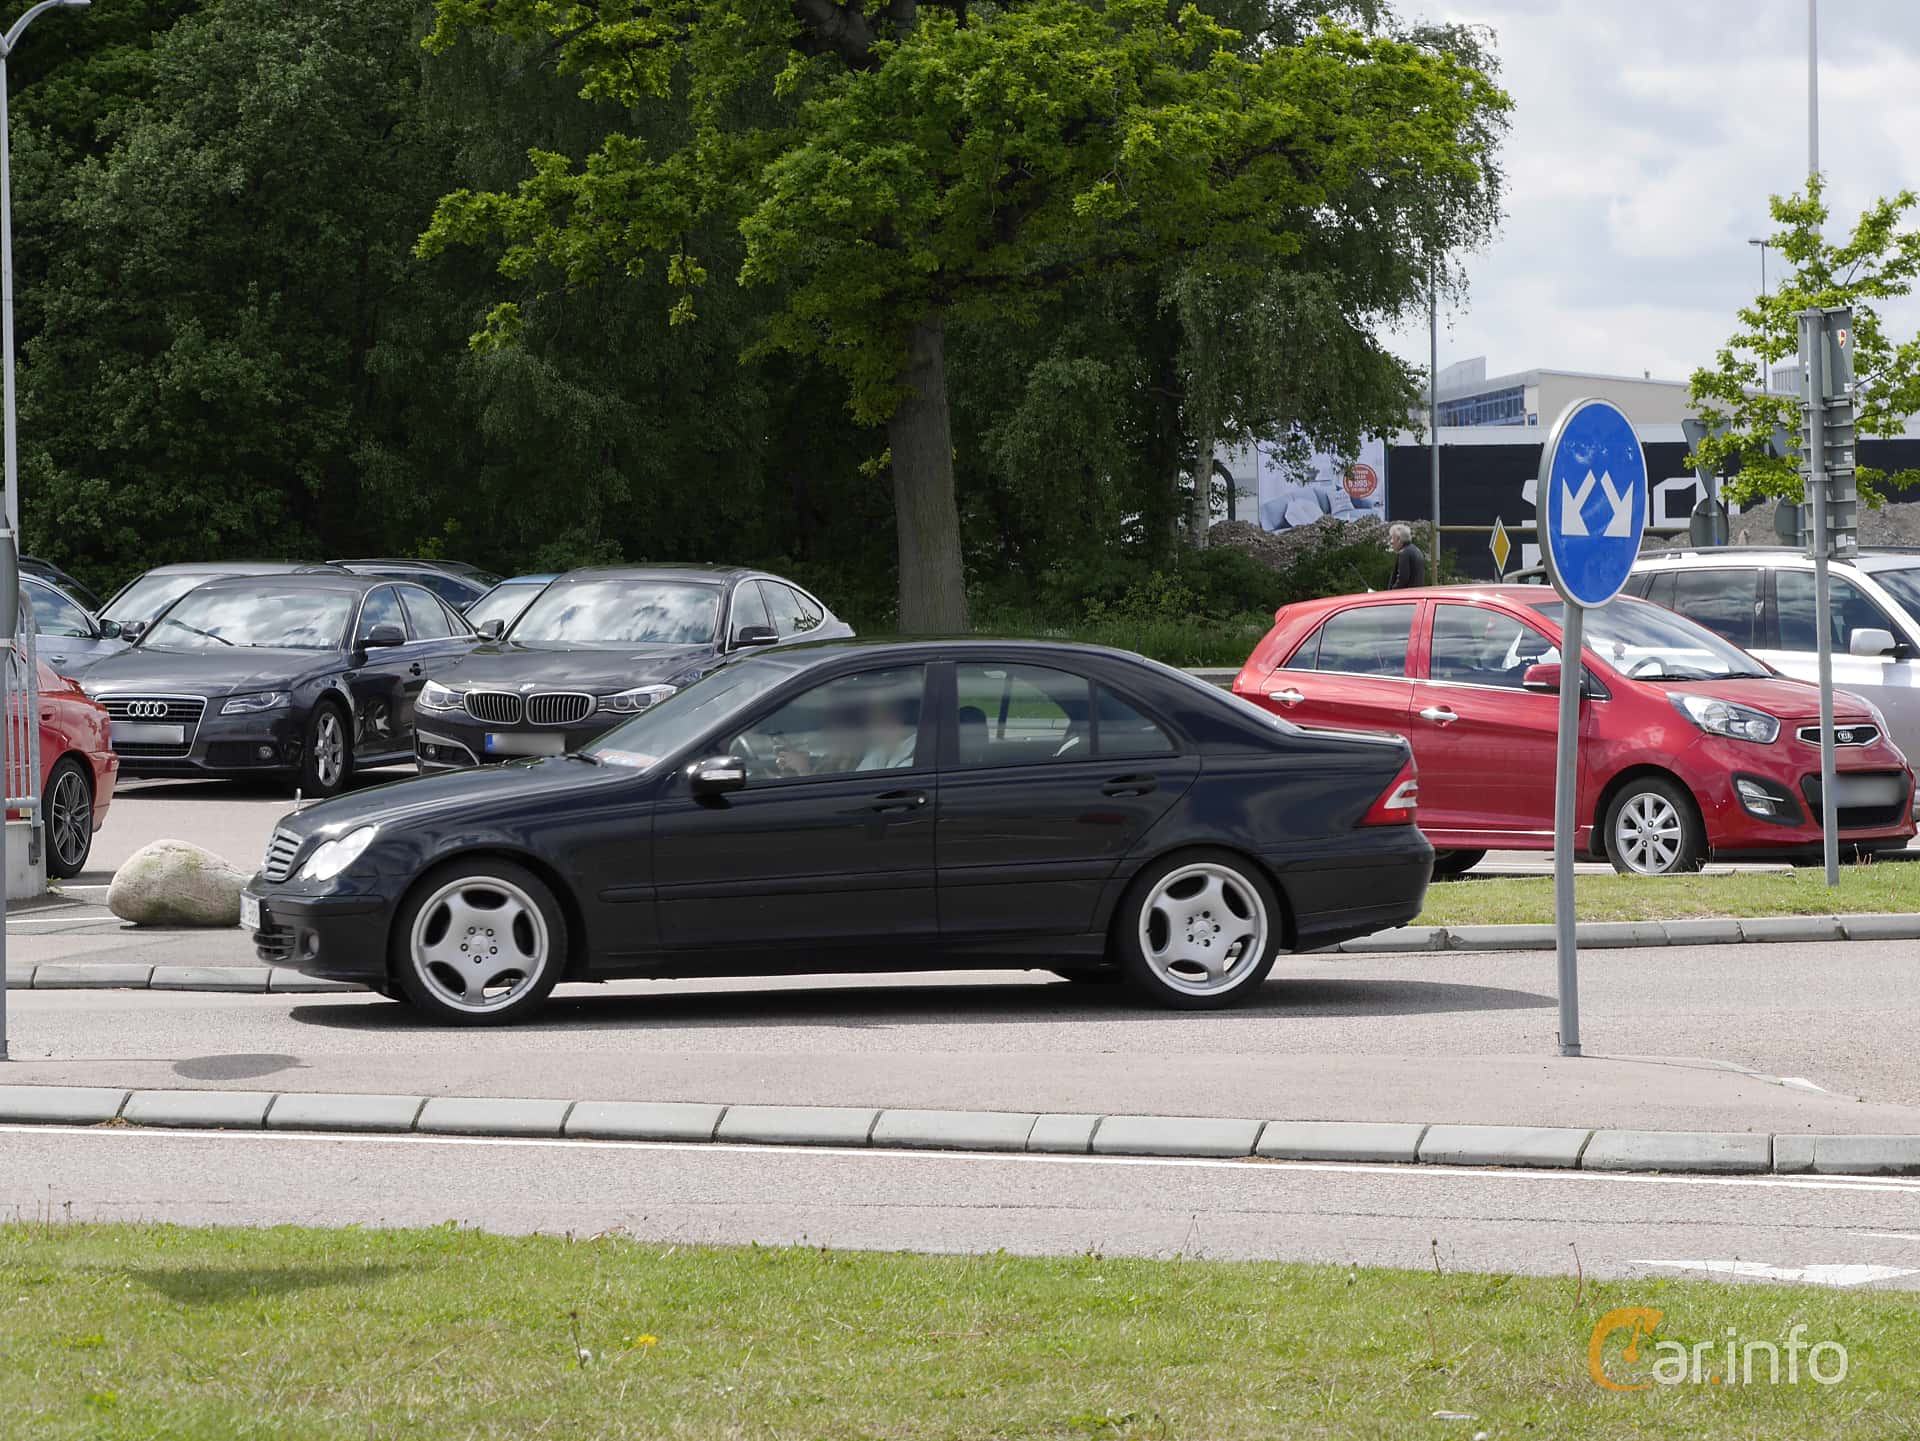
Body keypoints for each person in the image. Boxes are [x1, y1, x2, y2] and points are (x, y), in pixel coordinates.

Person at [1387, 522, 1427, 589]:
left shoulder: (1404, 553)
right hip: (1417, 594)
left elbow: (1402, 579)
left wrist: (1392, 591)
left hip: (1406, 596)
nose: (1391, 542)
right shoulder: (1416, 550)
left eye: (1392, 538)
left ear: (1399, 539)